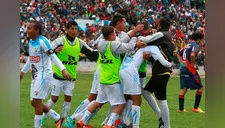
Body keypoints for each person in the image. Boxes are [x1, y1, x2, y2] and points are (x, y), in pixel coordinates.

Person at [66, 13, 144, 128]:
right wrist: (134, 38)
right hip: (109, 75)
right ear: (117, 25)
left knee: (99, 100)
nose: (125, 24)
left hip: (103, 75)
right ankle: (103, 123)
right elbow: (123, 45)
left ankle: (82, 120)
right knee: (116, 101)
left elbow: (119, 41)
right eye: (123, 22)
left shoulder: (104, 41)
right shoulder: (113, 42)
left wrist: (132, 33)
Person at [43, 21, 98, 126]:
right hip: (58, 76)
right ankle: (43, 117)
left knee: (68, 99)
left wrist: (103, 54)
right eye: (72, 29)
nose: (74, 31)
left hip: (71, 78)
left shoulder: (80, 42)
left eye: (76, 29)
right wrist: (55, 50)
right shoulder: (60, 41)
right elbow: (47, 51)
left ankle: (63, 122)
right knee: (54, 98)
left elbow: (91, 52)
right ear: (67, 30)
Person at [20, 20, 71, 128]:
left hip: (44, 75)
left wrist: (63, 69)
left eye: (29, 28)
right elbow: (31, 59)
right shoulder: (31, 42)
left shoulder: (43, 41)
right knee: (33, 102)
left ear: (37, 30)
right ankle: (58, 118)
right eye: (27, 28)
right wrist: (22, 71)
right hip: (35, 76)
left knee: (37, 101)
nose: (27, 30)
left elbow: (53, 56)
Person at [119, 32, 173, 128]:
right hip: (132, 72)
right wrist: (170, 64)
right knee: (137, 101)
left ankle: (123, 122)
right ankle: (134, 126)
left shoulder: (133, 42)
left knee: (127, 97)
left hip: (122, 70)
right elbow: (164, 62)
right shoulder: (152, 47)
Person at [138, 17, 175, 128]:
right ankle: (160, 116)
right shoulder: (167, 35)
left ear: (160, 25)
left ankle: (166, 125)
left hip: (161, 71)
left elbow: (145, 40)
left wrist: (138, 37)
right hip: (161, 71)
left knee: (162, 100)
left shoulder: (162, 34)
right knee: (145, 92)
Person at [177, 31, 205, 113]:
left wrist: (182, 63)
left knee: (183, 88)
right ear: (198, 39)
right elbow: (192, 55)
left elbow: (178, 54)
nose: (202, 41)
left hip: (183, 69)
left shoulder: (187, 45)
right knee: (200, 87)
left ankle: (181, 109)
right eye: (202, 39)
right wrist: (193, 64)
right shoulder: (195, 45)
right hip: (190, 69)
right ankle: (195, 108)